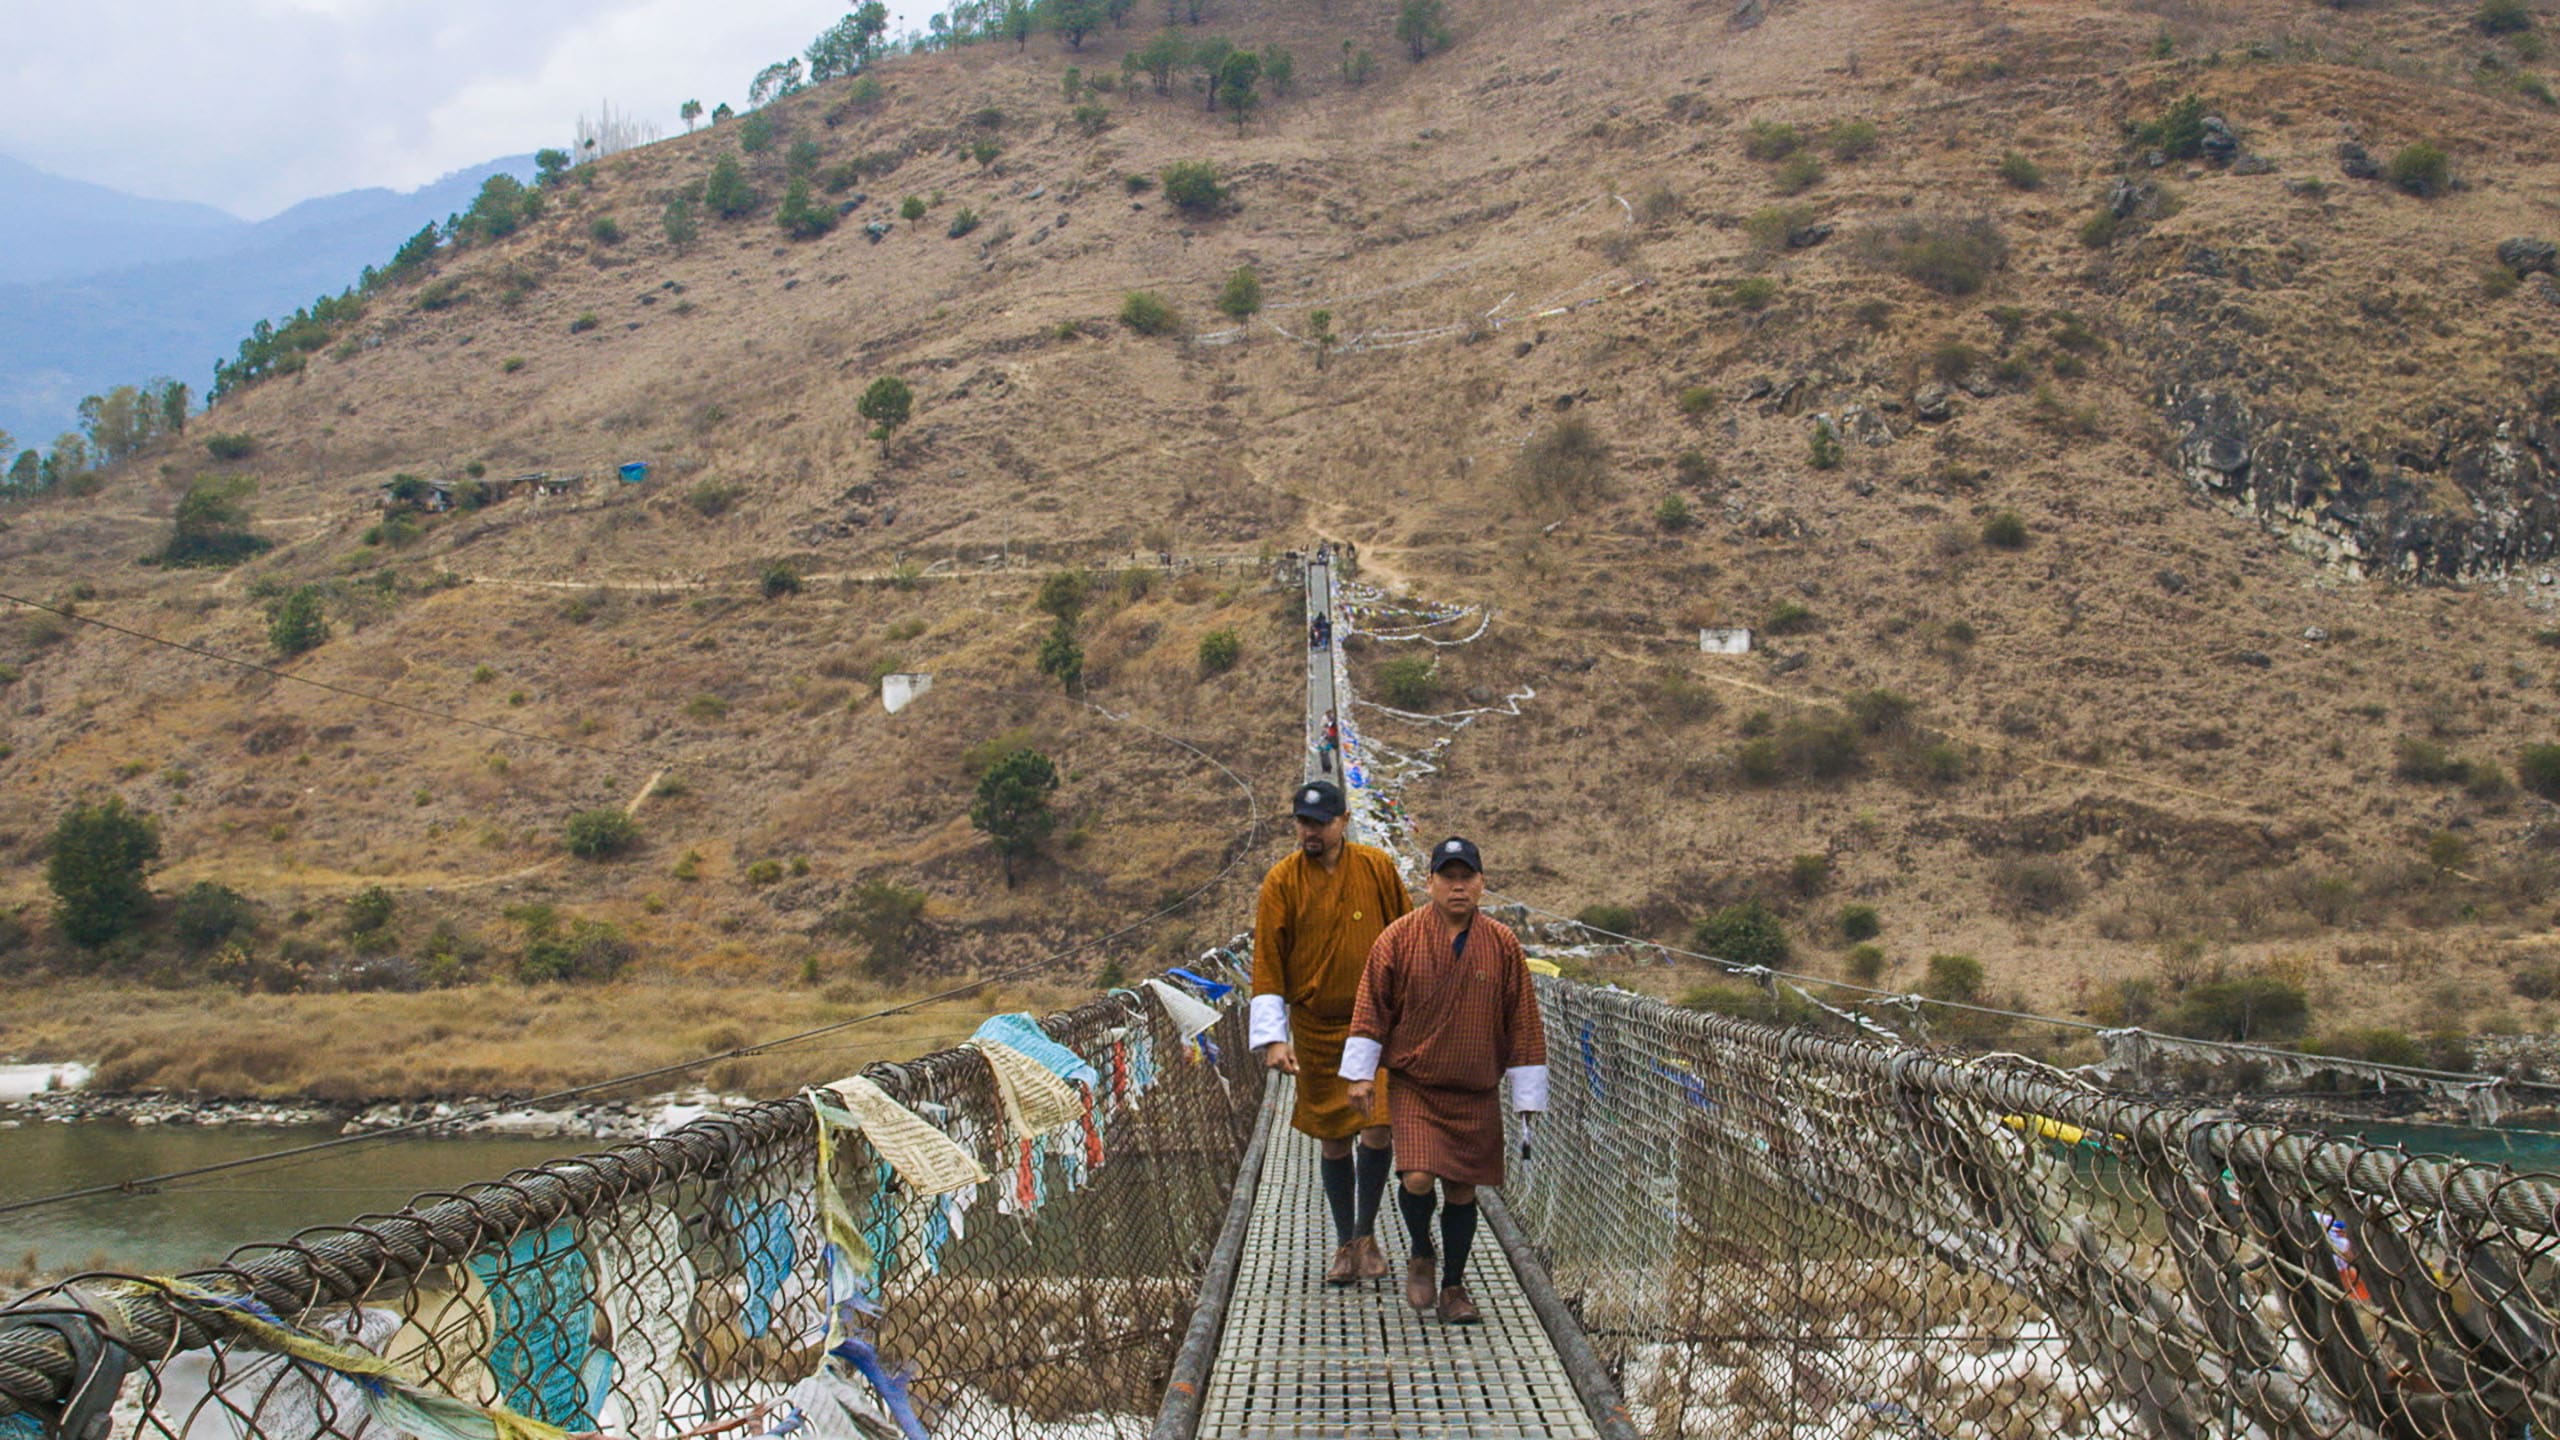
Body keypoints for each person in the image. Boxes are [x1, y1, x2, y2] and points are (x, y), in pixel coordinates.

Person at [1342, 837, 1547, 1324]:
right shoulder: (1398, 937)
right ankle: (1420, 1250)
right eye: (1448, 876)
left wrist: (1527, 1092)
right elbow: (1372, 1004)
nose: (1458, 886)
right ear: (1430, 882)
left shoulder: (1502, 944)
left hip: (1475, 1088)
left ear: (1481, 883)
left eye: (1467, 876)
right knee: (1417, 1177)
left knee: (1461, 1190)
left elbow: (1523, 1019)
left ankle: (1454, 1285)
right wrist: (1361, 1074)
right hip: (1416, 1083)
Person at [1251, 779, 1413, 1285]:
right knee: (1332, 1137)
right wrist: (1274, 1038)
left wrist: (1418, 1012)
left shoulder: (1377, 868)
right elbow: (1267, 961)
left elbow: (1407, 936)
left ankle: (1363, 1236)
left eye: (1320, 821)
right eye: (1303, 821)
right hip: (1316, 1026)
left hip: (1376, 1023)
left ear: (1344, 820)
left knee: (1378, 1124)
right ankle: (1347, 1244)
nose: (1310, 831)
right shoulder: (1282, 881)